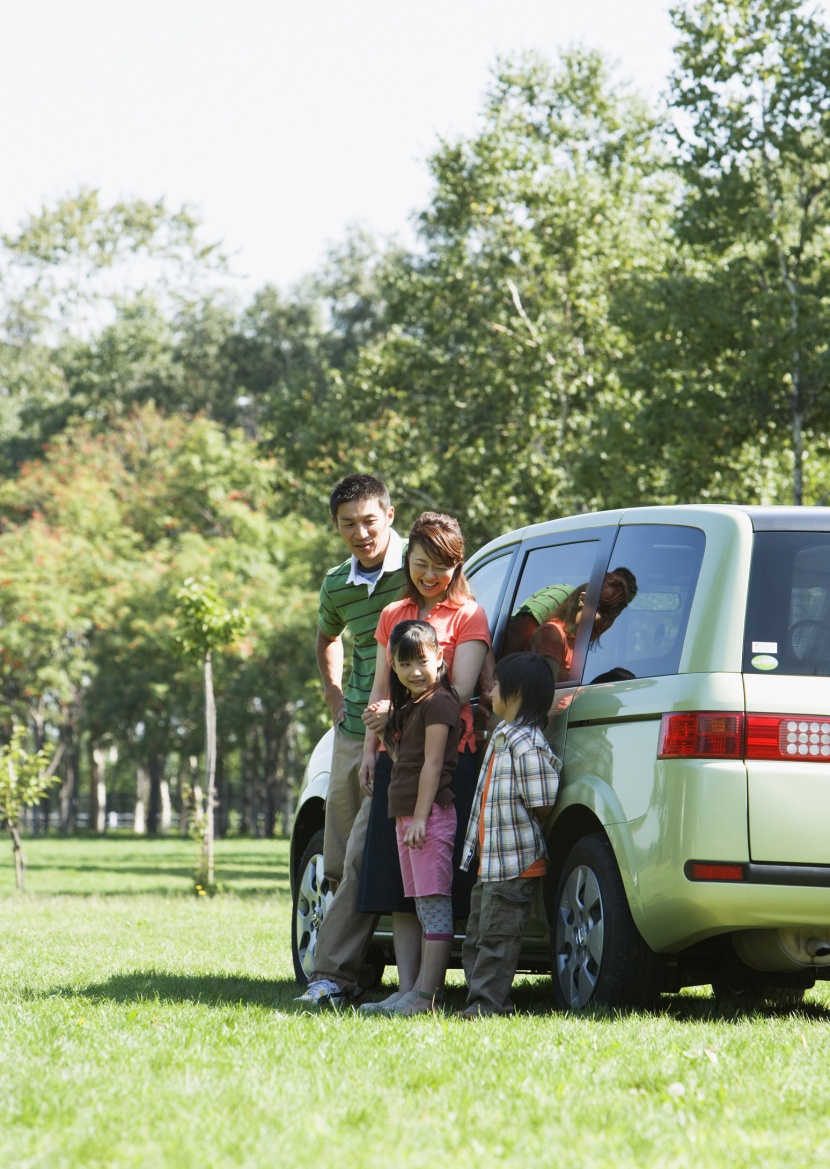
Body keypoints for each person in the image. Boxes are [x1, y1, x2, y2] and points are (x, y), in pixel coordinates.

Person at [357, 512, 491, 1013]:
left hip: (447, 761)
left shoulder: (469, 616)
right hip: (397, 754)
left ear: (456, 566)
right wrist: (370, 751)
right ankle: (408, 988)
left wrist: (397, 712)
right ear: (406, 561)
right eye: (419, 564)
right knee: (401, 883)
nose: (429, 575)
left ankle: (425, 993)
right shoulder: (393, 612)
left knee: (435, 883)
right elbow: (379, 687)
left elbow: (458, 692)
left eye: (441, 566)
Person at [295, 473, 406, 1010]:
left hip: (405, 736)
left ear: (389, 514)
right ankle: (355, 972)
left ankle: (331, 974)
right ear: (336, 528)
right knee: (339, 861)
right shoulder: (337, 583)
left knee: (366, 853)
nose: (360, 533)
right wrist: (334, 697)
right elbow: (326, 637)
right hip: (352, 733)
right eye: (348, 525)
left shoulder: (421, 568)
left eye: (368, 520)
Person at [458, 652, 560, 1017]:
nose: (489, 689)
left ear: (516, 693)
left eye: (496, 684)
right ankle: (479, 999)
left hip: (514, 863)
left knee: (498, 938)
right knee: (478, 934)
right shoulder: (503, 734)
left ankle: (489, 1005)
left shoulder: (527, 744)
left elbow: (543, 801)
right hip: (492, 862)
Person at [368, 619, 462, 1015]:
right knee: (422, 907)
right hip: (408, 817)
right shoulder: (413, 705)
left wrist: (422, 817)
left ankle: (427, 997)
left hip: (430, 817)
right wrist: (383, 730)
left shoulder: (440, 701)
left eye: (422, 661)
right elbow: (406, 760)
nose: (415, 672)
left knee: (435, 906)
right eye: (405, 665)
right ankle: (416, 993)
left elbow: (433, 763)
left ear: (440, 658)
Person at [528, 568, 637, 683]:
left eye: (612, 618)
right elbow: (546, 695)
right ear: (583, 600)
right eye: (603, 614)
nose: (605, 624)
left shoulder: (578, 643)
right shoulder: (552, 635)